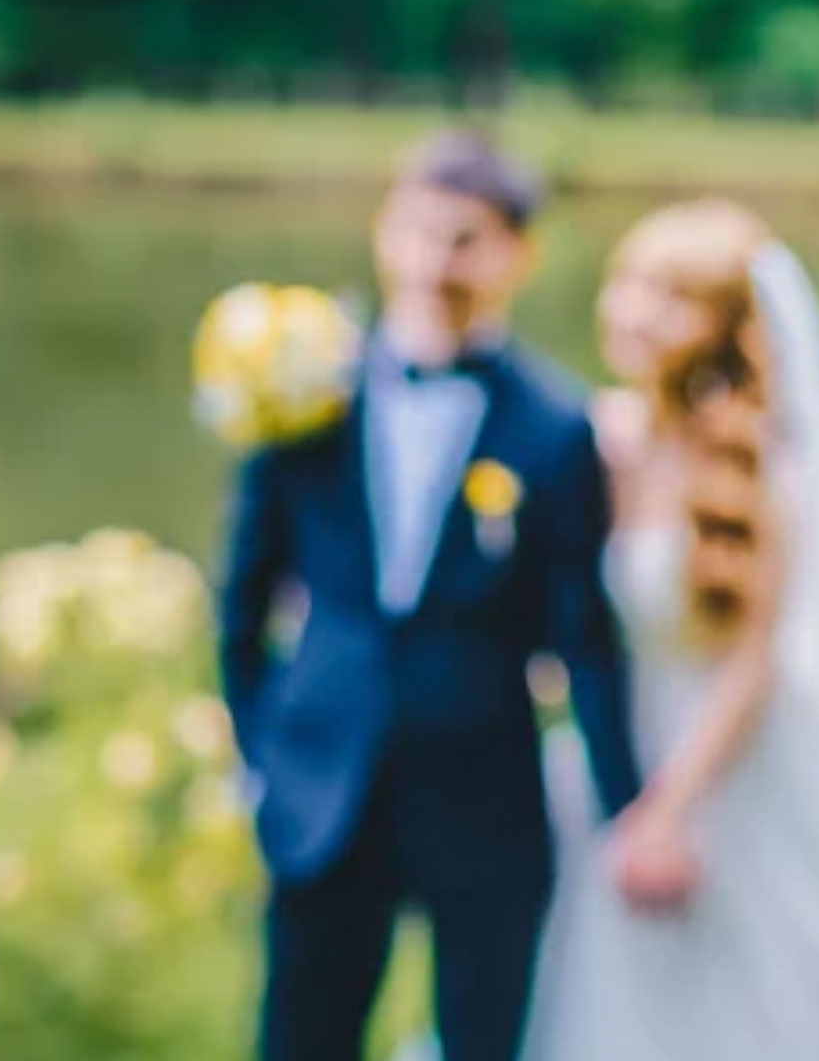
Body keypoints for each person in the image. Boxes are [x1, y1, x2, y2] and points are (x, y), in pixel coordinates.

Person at [217, 131, 641, 1061]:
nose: (434, 261)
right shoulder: (301, 391)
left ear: (516, 256)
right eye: (416, 232)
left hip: (483, 791)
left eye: (465, 239)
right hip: (324, 783)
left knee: (486, 1041)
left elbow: (583, 633)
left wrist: (629, 807)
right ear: (382, 233)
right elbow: (241, 596)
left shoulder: (557, 427)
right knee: (298, 1038)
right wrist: (262, 750)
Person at [522, 200, 819, 1059]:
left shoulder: (763, 472)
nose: (636, 312)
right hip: (618, 751)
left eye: (674, 296)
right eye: (630, 285)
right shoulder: (594, 441)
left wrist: (668, 810)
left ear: (731, 329)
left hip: (731, 766)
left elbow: (754, 664)